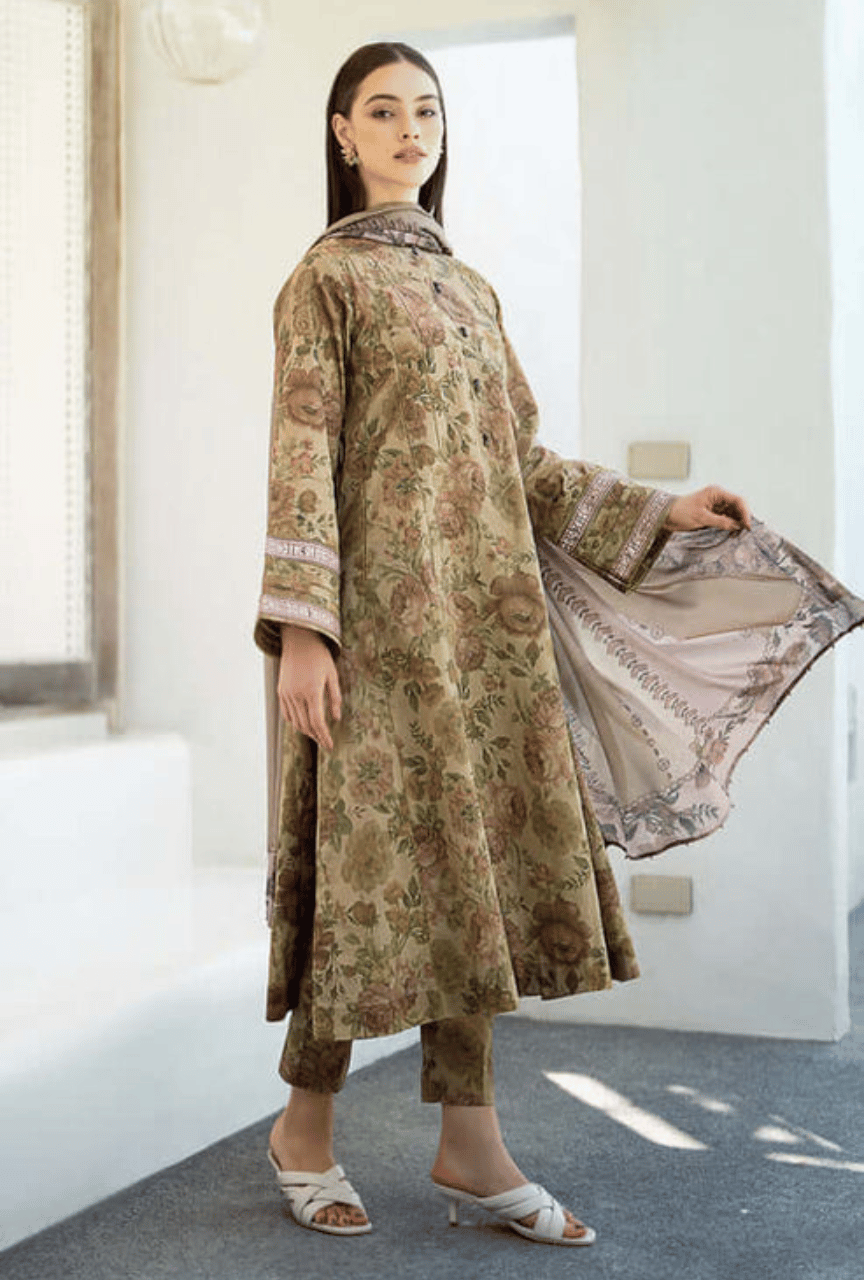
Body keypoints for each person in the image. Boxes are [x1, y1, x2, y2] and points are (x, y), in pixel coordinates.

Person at [253, 42, 864, 1246]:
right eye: (383, 111)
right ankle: (304, 1128)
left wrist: (659, 511)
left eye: (427, 109)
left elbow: (521, 462)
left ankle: (470, 1143)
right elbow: (299, 462)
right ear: (343, 135)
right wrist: (301, 635)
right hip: (379, 632)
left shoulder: (470, 291)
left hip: (487, 634)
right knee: (368, 879)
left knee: (468, 879)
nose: (409, 128)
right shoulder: (323, 283)